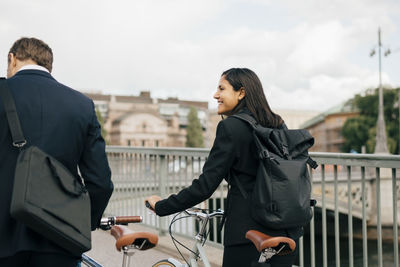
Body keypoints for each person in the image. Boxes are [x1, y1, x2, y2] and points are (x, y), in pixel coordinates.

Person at [145, 68, 300, 267]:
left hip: (247, 234)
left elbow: (205, 186)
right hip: (286, 230)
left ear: (241, 93)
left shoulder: (231, 127)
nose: (215, 95)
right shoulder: (277, 124)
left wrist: (162, 206)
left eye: (221, 89)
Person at [0, 37, 114, 267]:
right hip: (59, 242)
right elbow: (101, 182)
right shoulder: (82, 105)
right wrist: (80, 224)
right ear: (48, 66)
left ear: (12, 59)